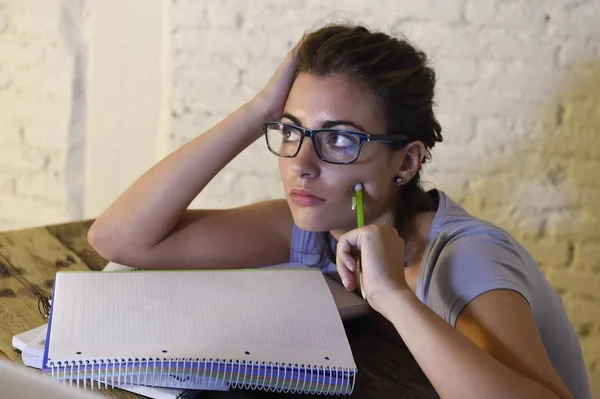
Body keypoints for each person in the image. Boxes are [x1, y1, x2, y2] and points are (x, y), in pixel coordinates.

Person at [87, 23, 590, 399]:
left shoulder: (466, 259)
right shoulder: (318, 223)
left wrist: (391, 294)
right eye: (290, 130)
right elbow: (122, 239)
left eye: (340, 138)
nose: (301, 165)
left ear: (407, 160)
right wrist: (256, 112)